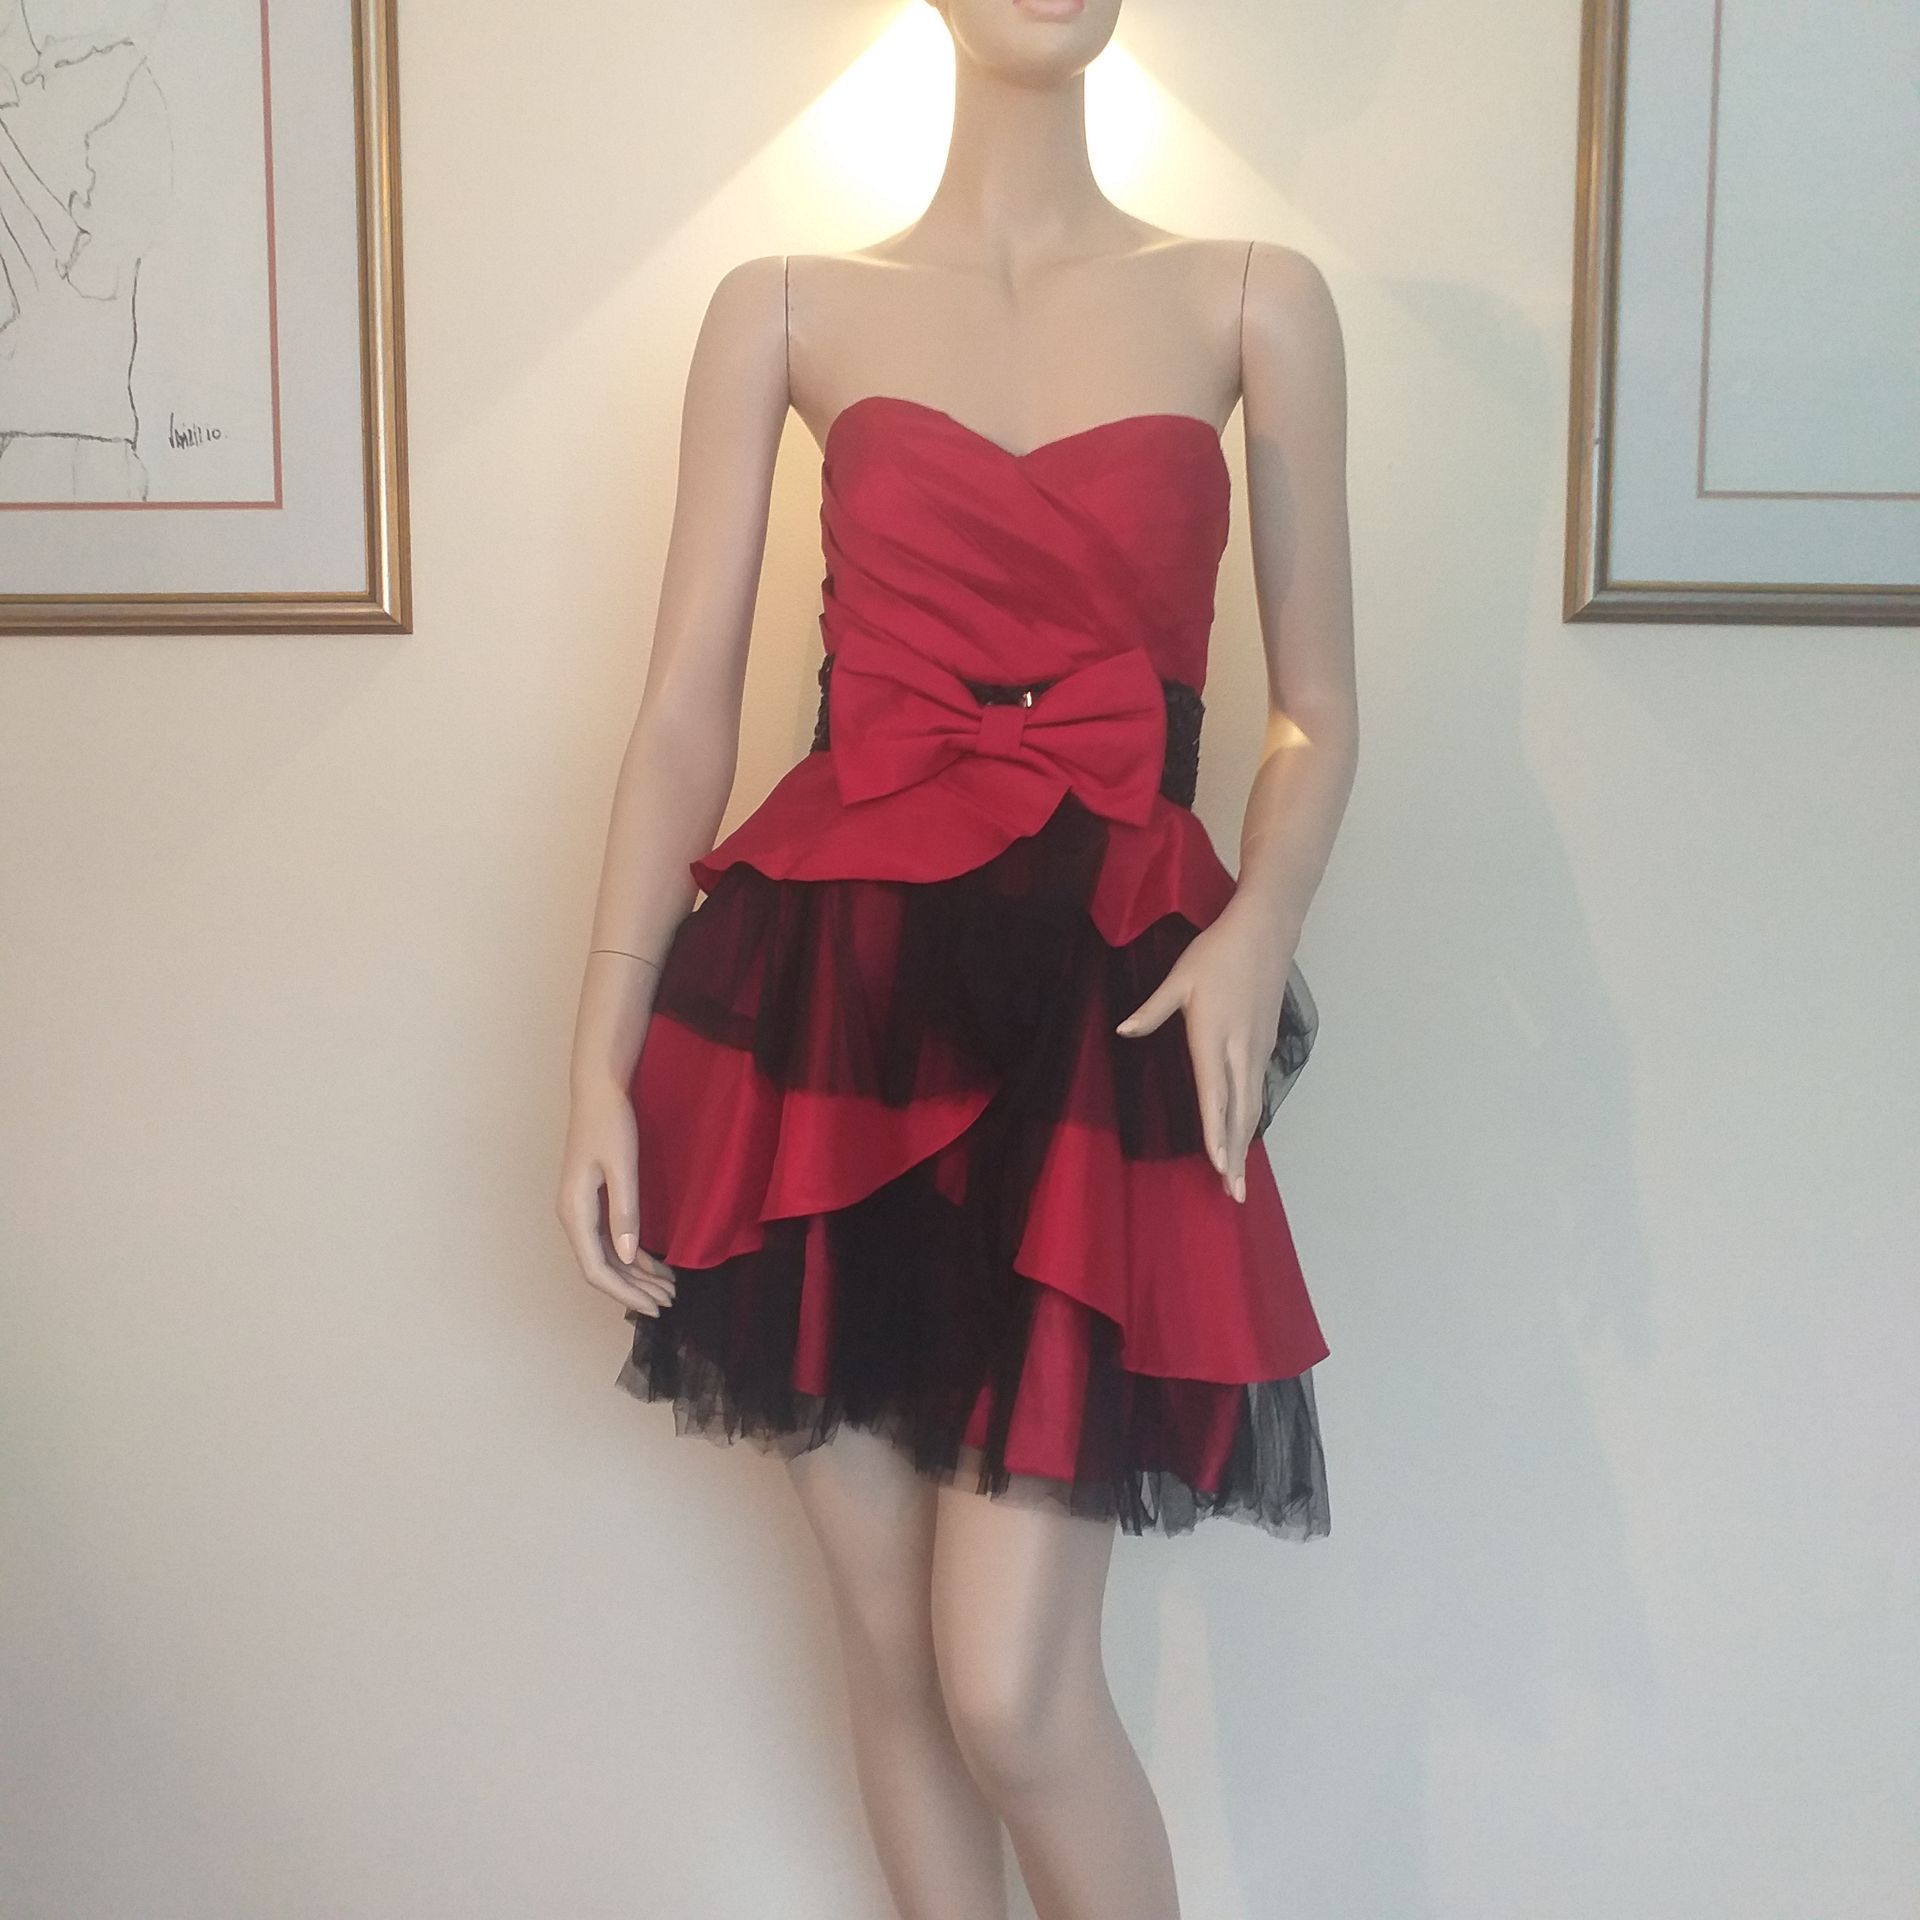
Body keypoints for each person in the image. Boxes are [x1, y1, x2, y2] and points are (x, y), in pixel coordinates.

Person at [555, 3, 1357, 1913]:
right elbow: (683, 711)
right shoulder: (781, 306)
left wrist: (1263, 917)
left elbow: (1316, 709)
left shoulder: (1257, 296)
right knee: (898, 1661)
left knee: (1013, 1687)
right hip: (822, 1018)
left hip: (1102, 1012)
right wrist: (596, 1045)